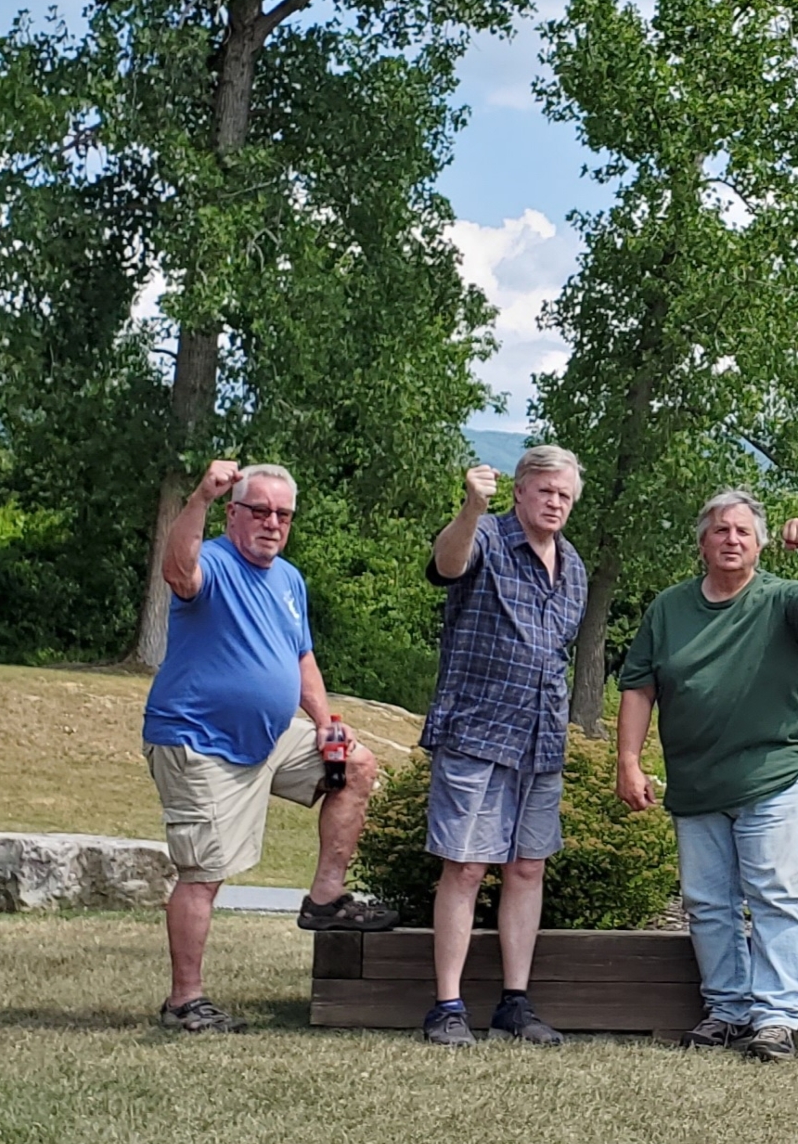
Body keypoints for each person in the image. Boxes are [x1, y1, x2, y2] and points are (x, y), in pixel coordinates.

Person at [143, 459, 396, 1033]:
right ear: (232, 515)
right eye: (259, 511)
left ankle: (325, 900)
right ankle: (184, 1000)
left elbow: (300, 656)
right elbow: (177, 571)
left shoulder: (288, 580)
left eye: (283, 514)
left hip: (269, 739)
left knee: (355, 764)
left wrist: (325, 722)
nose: (272, 523)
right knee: (204, 871)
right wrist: (199, 498)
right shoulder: (213, 562)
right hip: (199, 740)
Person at [616, 491, 798, 1062]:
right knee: (706, 902)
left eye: (743, 531)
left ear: (760, 544)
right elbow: (639, 686)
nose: (731, 539)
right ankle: (726, 1009)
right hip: (696, 778)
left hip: (774, 771)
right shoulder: (669, 609)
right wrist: (628, 760)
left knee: (774, 894)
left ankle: (775, 1019)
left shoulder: (781, 599)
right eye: (721, 530)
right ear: (702, 542)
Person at [418, 446, 587, 1050]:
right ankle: (447, 1006)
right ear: (519, 491)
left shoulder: (573, 566)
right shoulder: (485, 536)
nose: (555, 503)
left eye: (565, 495)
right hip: (477, 733)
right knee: (465, 867)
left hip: (542, 741)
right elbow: (446, 565)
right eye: (545, 491)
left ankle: (515, 1003)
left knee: (527, 867)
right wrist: (471, 506)